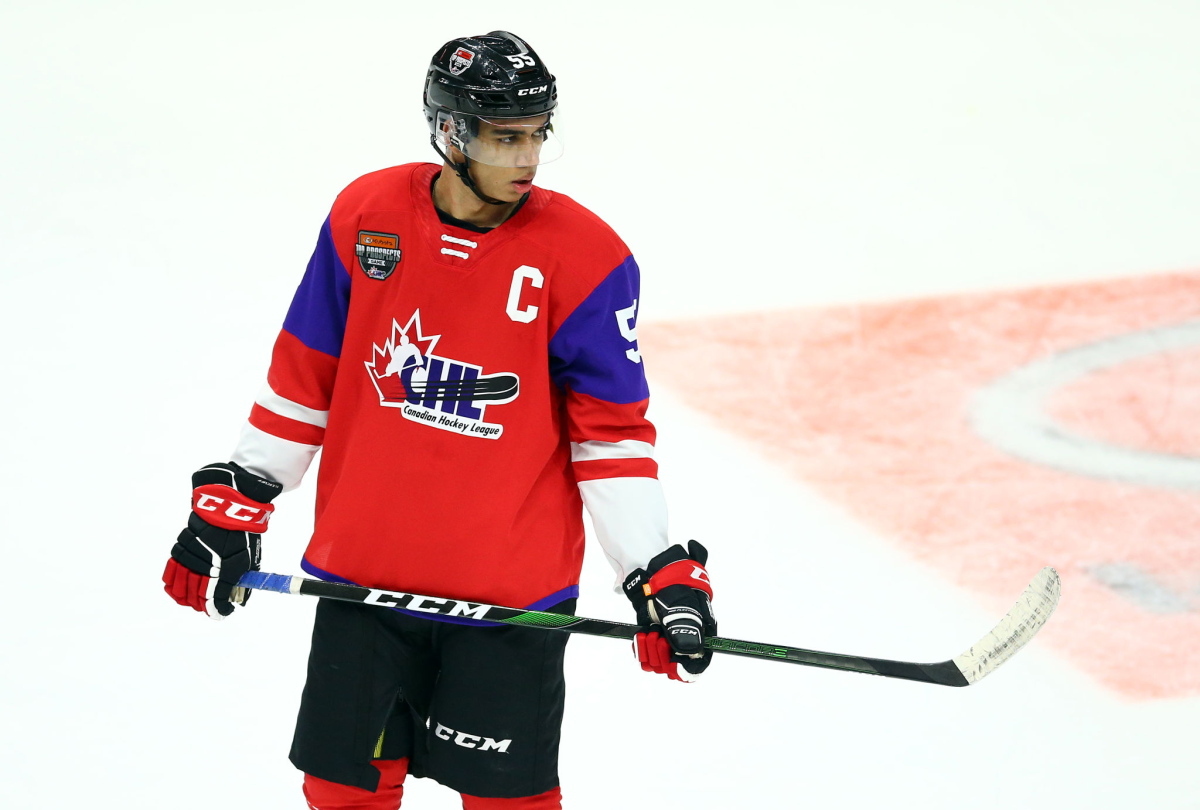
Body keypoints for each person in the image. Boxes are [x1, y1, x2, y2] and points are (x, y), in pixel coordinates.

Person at [162, 31, 717, 810]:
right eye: (505, 136)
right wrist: (244, 491)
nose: (526, 158)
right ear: (451, 133)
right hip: (363, 582)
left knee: (509, 802)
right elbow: (305, 374)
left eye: (537, 136)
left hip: (508, 598)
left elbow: (611, 438)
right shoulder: (367, 214)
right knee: (341, 791)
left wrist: (654, 570)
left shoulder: (587, 257)